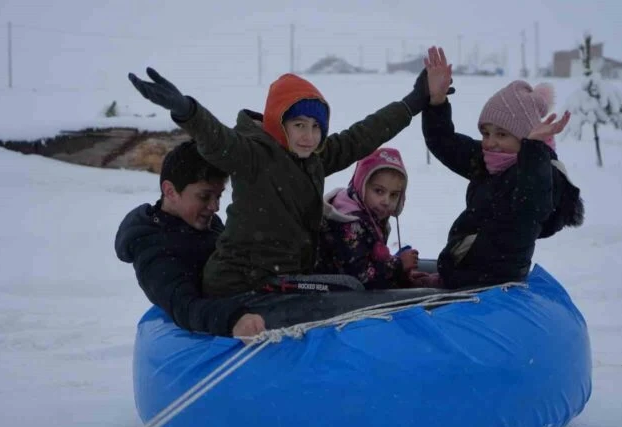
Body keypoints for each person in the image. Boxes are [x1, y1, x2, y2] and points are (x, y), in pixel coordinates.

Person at [128, 56, 446, 301]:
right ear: (279, 123)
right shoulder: (253, 156)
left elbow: (362, 135)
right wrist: (187, 110)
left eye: (316, 127)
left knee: (348, 281)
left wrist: (414, 102)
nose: (309, 136)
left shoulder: (315, 157)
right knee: (350, 290)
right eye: (299, 125)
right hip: (247, 283)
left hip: (286, 276)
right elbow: (218, 140)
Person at [419, 46, 584, 289]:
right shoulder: (490, 161)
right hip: (464, 277)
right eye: (485, 132)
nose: (490, 142)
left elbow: (531, 206)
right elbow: (444, 142)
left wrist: (534, 148)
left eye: (502, 134)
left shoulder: (541, 173)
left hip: (494, 288)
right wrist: (437, 101)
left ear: (525, 137)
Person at [114, 140, 264, 338]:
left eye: (218, 196)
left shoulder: (206, 222)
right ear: (170, 191)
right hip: (209, 329)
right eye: (204, 196)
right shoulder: (153, 247)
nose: (215, 207)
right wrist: (233, 319)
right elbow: (185, 306)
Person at [315, 147, 422, 289]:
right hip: (335, 297)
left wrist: (401, 275)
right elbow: (361, 277)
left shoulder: (371, 214)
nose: (386, 201)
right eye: (379, 191)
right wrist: (398, 265)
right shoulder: (349, 223)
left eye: (394, 195)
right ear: (362, 185)